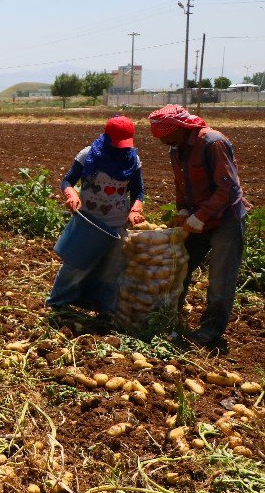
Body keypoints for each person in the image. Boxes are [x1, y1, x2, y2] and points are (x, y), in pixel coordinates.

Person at [148, 104, 251, 345]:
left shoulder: (212, 143)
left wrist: (201, 216)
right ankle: (171, 317)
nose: (161, 140)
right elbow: (181, 185)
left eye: (164, 135)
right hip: (198, 218)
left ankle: (211, 331)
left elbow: (229, 189)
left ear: (180, 128)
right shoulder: (176, 149)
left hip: (226, 219)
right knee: (179, 267)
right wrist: (184, 209)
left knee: (220, 279)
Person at [46, 115, 145, 321]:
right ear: (107, 137)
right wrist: (71, 194)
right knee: (77, 264)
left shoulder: (132, 160)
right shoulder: (89, 155)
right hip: (90, 221)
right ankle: (58, 302)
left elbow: (138, 191)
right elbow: (68, 180)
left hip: (117, 224)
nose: (121, 148)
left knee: (112, 268)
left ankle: (103, 308)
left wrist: (135, 210)